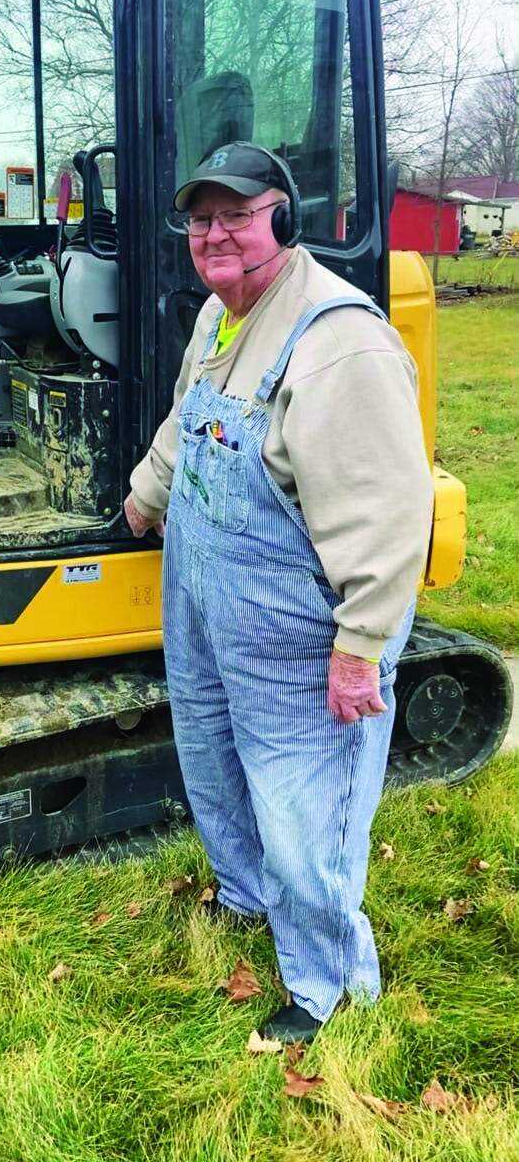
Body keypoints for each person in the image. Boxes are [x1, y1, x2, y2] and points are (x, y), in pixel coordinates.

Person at [124, 142, 433, 1043]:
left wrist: (361, 645)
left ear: (284, 221)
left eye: (237, 216)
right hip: (207, 594)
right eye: (201, 219)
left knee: (303, 799)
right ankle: (246, 896)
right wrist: (147, 493)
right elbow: (188, 417)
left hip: (296, 618)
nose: (215, 234)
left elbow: (386, 511)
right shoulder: (220, 316)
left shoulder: (337, 342)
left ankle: (328, 986)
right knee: (215, 760)